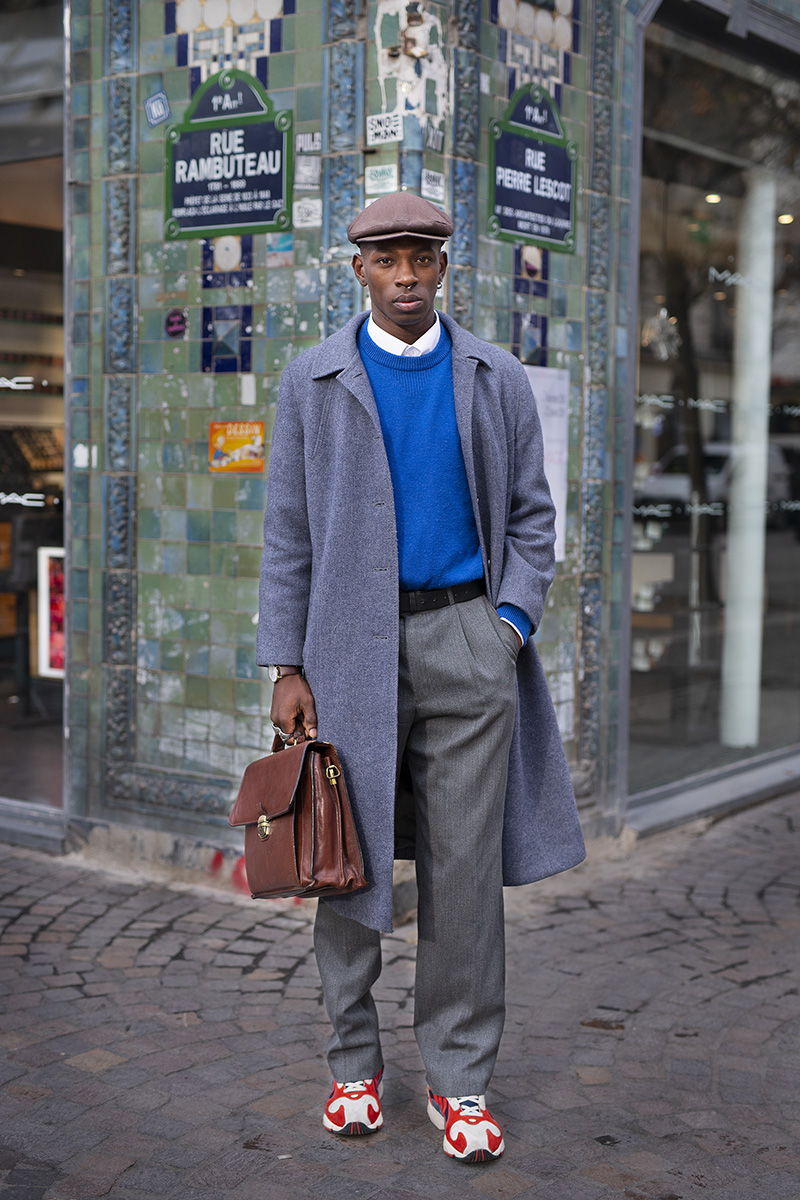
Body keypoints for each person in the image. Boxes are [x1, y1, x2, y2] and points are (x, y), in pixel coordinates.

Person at [257, 192, 585, 1163]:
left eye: (423, 258)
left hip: (466, 644)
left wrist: (507, 626)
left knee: (464, 875)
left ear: (445, 266)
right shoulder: (313, 379)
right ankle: (352, 1067)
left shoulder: (494, 376)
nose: (406, 276)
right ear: (356, 267)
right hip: (346, 651)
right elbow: (287, 534)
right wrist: (285, 663)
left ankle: (460, 1079)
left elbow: (532, 519)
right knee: (343, 862)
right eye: (387, 259)